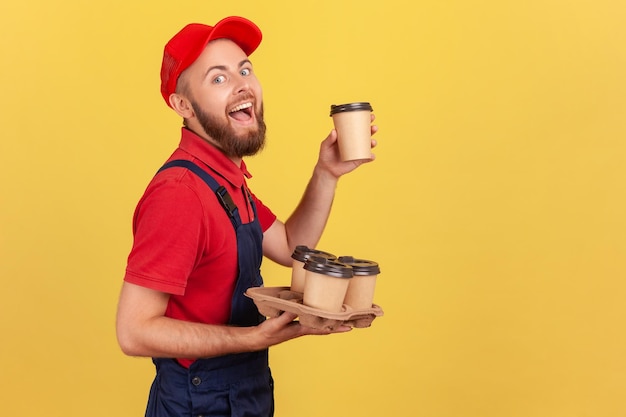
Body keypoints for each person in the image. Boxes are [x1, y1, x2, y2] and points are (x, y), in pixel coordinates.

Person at [115, 15, 378, 417]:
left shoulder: (226, 181)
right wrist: (251, 338)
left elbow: (292, 246)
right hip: (199, 401)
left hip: (240, 394)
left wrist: (326, 173)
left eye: (245, 70)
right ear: (182, 105)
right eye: (218, 78)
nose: (242, 85)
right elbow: (134, 331)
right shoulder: (181, 194)